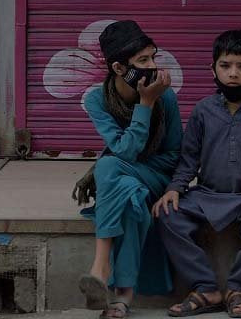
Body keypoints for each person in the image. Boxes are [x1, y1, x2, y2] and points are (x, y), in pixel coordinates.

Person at [153, 30, 241, 318]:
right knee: (166, 213)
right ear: (213, 68)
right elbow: (189, 159)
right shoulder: (202, 110)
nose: (233, 74)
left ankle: (237, 287)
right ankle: (206, 288)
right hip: (207, 195)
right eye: (226, 65)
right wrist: (174, 188)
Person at [72, 20, 182, 319]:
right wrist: (144, 105)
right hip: (125, 179)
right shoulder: (98, 99)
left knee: (108, 164)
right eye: (143, 61)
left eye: (152, 57)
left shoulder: (166, 96)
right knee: (131, 199)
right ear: (120, 68)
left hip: (158, 175)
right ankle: (123, 296)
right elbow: (126, 150)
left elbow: (173, 156)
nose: (152, 66)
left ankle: (100, 265)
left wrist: (148, 102)